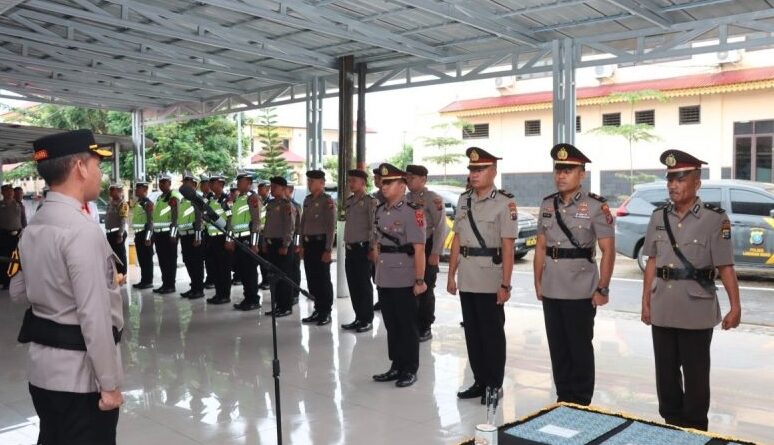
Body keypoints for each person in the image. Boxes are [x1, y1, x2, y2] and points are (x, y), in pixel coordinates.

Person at [10, 129, 124, 444]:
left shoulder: (34, 226)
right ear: (80, 167)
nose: (100, 173)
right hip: (81, 381)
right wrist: (109, 385)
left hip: (43, 373)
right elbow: (95, 317)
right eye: (97, 164)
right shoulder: (81, 231)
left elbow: (18, 291)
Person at [641, 149, 741, 431]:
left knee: (696, 376)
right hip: (663, 307)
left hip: (696, 310)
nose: (673, 185)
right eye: (670, 179)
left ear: (697, 182)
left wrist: (735, 306)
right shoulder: (658, 216)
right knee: (666, 376)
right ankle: (671, 425)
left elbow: (725, 266)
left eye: (680, 179)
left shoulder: (714, 219)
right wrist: (646, 301)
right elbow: (651, 261)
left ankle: (695, 429)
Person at [533, 143, 615, 406]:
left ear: (582, 174)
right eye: (558, 170)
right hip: (552, 286)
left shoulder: (596, 206)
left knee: (579, 347)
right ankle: (563, 398)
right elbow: (541, 247)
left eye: (568, 170)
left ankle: (580, 401)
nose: (561, 175)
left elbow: (608, 250)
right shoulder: (547, 204)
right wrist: (538, 282)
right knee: (557, 347)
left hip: (581, 289)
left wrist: (603, 288)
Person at [447, 147, 517, 405]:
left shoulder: (504, 203)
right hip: (467, 276)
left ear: (493, 172)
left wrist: (505, 284)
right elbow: (457, 239)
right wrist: (451, 274)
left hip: (490, 278)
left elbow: (508, 247)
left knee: (492, 334)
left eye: (480, 169)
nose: (474, 174)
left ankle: (494, 385)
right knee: (473, 334)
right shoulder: (464, 200)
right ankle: (479, 381)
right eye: (472, 169)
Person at [371, 163, 426, 388]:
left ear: (402, 185)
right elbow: (377, 243)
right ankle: (396, 365)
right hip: (384, 276)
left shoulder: (413, 212)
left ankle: (410, 369)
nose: (384, 186)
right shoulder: (380, 211)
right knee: (392, 325)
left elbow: (419, 249)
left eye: (389, 182)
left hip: (404, 277)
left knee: (407, 326)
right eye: (383, 182)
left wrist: (420, 280)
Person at [406, 164, 447, 342]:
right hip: (409, 249)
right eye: (407, 177)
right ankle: (412, 323)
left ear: (423, 179)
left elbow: (441, 227)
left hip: (427, 246)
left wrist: (436, 253)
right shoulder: (405, 198)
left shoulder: (432, 199)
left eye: (412, 178)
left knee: (426, 288)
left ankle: (425, 326)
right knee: (410, 287)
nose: (408, 181)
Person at [341, 169, 377, 333]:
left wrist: (373, 247)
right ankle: (358, 317)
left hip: (363, 249)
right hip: (350, 249)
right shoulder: (349, 201)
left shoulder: (370, 201)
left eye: (354, 180)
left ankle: (367, 319)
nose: (351, 183)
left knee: (363, 285)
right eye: (349, 180)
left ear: (363, 182)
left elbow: (374, 226)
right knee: (353, 285)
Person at [299, 170, 336, 326]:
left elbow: (330, 227)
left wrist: (328, 249)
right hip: (308, 244)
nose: (309, 184)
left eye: (312, 181)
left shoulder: (327, 201)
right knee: (312, 278)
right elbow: (302, 224)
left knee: (323, 279)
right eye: (308, 181)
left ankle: (325, 311)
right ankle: (317, 309)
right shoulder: (307, 200)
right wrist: (301, 245)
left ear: (322, 183)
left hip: (321, 245)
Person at [262, 176, 296, 317]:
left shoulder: (287, 205)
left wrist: (286, 244)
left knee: (283, 276)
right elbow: (267, 225)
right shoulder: (270, 204)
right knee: (274, 277)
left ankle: (286, 306)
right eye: (271, 186)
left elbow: (290, 227)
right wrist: (264, 242)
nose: (272, 189)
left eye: (275, 187)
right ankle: (278, 305)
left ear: (283, 189)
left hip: (282, 245)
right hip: (271, 244)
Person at [231, 171, 263, 311]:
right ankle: (248, 298)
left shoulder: (253, 198)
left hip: (248, 240)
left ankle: (253, 299)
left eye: (241, 181)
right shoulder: (239, 198)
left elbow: (257, 221)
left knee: (250, 271)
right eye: (238, 181)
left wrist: (254, 243)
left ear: (249, 183)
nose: (238, 183)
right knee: (243, 271)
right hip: (239, 240)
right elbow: (233, 221)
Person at [205, 173, 234, 305]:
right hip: (212, 238)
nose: (211, 184)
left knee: (224, 268)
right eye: (210, 182)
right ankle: (218, 293)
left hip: (222, 238)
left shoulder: (226, 200)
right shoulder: (210, 200)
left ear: (221, 184)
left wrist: (229, 239)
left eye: (214, 182)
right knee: (214, 268)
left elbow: (231, 220)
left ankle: (225, 295)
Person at [152, 173, 180, 294]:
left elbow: (176, 216)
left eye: (164, 182)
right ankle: (165, 284)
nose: (161, 184)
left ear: (169, 183)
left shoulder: (173, 196)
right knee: (162, 260)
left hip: (168, 234)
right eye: (160, 182)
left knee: (170, 261)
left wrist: (173, 234)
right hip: (159, 234)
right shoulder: (160, 197)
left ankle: (170, 285)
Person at [178, 172, 205, 300]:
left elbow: (199, 218)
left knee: (196, 263)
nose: (184, 185)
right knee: (188, 262)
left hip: (194, 236)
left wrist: (198, 237)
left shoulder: (196, 198)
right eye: (184, 182)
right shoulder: (183, 200)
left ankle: (199, 289)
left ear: (194, 184)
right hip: (184, 236)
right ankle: (194, 287)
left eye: (187, 182)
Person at [131, 180, 154, 289]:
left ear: (145, 189)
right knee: (141, 259)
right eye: (136, 188)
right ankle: (143, 280)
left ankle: (148, 281)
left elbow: (150, 221)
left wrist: (148, 237)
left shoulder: (147, 203)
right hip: (138, 234)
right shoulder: (138, 202)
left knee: (147, 259)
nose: (136, 190)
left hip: (145, 234)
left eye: (138, 188)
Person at [0, 183, 23, 290]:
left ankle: (18, 279)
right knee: (5, 258)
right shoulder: (1, 205)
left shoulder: (18, 204)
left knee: (18, 257)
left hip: (17, 234)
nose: (10, 193)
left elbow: (22, 219)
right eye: (7, 191)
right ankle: (5, 281)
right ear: (2, 193)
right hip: (4, 235)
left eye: (11, 191)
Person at [105, 183, 129, 276]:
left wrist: (120, 234)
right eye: (110, 190)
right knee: (112, 256)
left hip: (117, 233)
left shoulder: (122, 204)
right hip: (110, 233)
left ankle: (122, 274)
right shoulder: (110, 203)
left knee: (120, 255)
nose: (110, 192)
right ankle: (115, 275)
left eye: (112, 190)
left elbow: (123, 220)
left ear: (119, 191)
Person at [286, 184, 303, 304]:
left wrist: (297, 244)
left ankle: (295, 294)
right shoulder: (279, 204)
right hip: (283, 241)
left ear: (291, 190)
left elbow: (298, 227)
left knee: (294, 269)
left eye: (285, 188)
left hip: (293, 242)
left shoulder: (296, 205)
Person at [200, 174, 215, 290]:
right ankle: (209, 278)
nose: (202, 186)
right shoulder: (202, 197)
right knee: (207, 257)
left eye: (204, 184)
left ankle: (212, 279)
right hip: (205, 231)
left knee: (212, 258)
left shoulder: (212, 198)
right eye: (201, 184)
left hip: (212, 232)